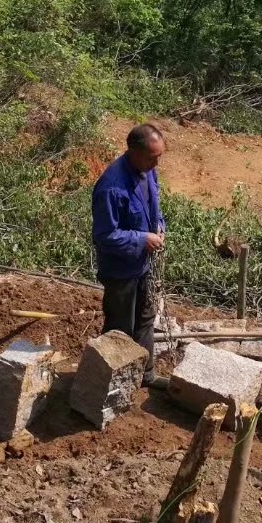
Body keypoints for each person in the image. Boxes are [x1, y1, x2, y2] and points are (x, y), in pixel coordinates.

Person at [92, 123, 167, 386]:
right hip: (120, 270)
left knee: (145, 319)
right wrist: (142, 238)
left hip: (142, 264)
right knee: (120, 328)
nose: (156, 163)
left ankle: (145, 375)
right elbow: (104, 236)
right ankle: (111, 383)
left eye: (160, 156)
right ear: (133, 152)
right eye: (152, 157)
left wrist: (159, 226)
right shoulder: (111, 188)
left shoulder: (147, 171)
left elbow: (153, 208)